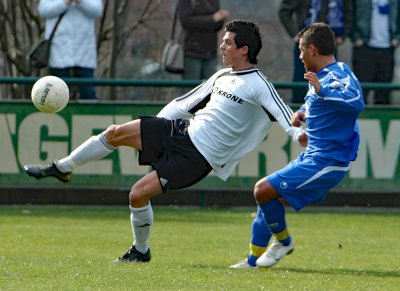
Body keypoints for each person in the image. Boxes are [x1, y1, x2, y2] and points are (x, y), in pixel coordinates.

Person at [24, 20, 306, 263]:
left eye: (228, 43)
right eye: (222, 42)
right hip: (179, 131)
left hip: (197, 159)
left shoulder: (259, 84)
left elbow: (283, 114)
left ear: (244, 49)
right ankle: (63, 166)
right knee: (114, 132)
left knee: (137, 195)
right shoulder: (222, 75)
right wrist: (155, 129)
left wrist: (298, 135)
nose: (222, 47)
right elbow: (185, 103)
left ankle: (141, 251)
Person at [230, 22, 364, 269]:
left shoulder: (337, 74)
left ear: (312, 49)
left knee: (262, 190)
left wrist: (321, 91)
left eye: (302, 50)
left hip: (328, 161)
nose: (300, 56)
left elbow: (355, 101)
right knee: (269, 201)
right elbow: (317, 101)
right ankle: (252, 262)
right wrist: (302, 112)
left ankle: (284, 243)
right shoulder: (321, 76)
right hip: (313, 156)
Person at [279, 0, 352, 103]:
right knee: (301, 80)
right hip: (305, 42)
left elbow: (348, 12)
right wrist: (295, 34)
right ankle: (299, 111)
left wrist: (342, 35)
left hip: (328, 43)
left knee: (328, 80)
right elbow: (284, 11)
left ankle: (325, 110)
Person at [38, 0, 103, 100]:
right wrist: (65, 3)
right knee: (59, 95)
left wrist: (80, 2)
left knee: (88, 93)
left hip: (84, 51)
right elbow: (43, 10)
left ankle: (88, 114)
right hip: (59, 50)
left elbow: (97, 10)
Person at [352, 0, 400, 104]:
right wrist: (355, 37)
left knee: (383, 94)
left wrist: (397, 37)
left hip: (387, 47)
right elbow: (350, 14)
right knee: (361, 91)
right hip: (365, 46)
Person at [177, 0, 230, 80]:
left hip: (211, 52)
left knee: (211, 87)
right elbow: (185, 21)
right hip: (192, 51)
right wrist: (212, 19)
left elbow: (216, 26)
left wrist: (221, 19)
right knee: (191, 88)